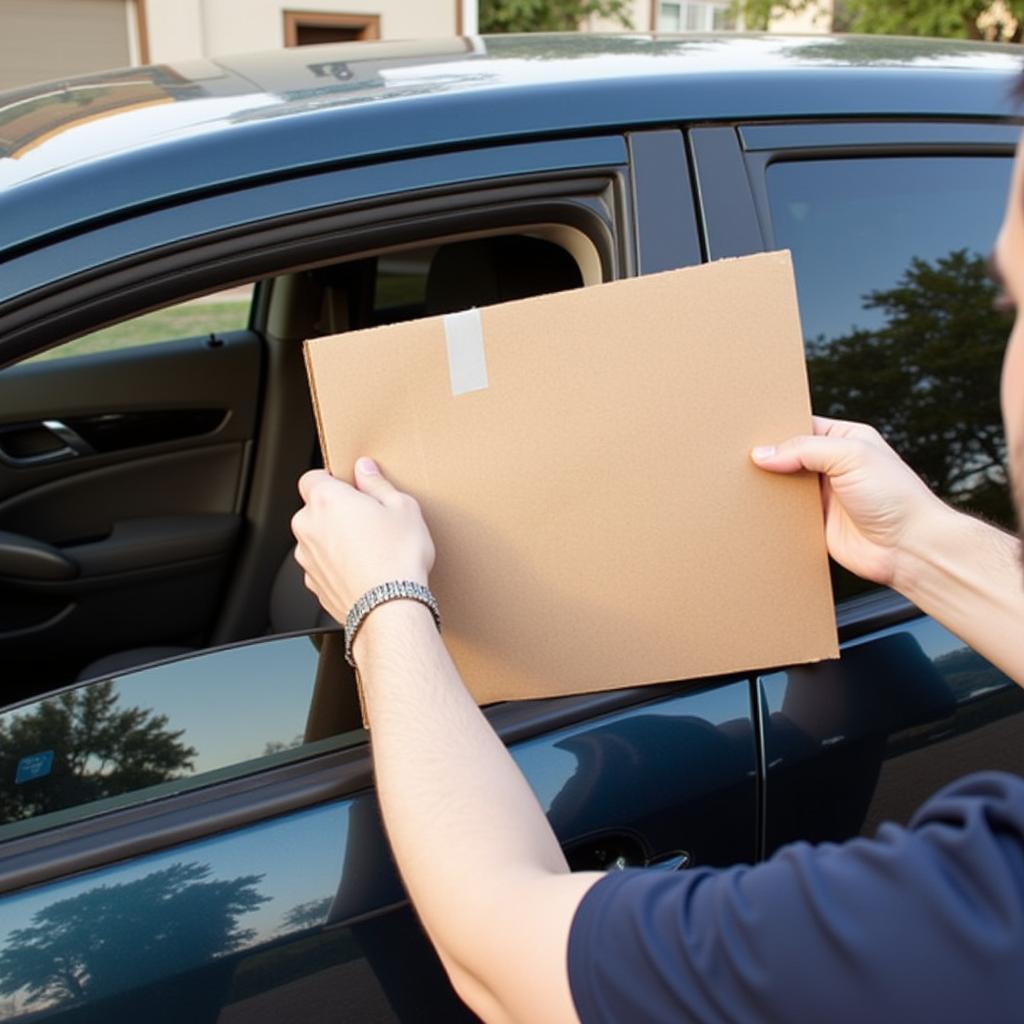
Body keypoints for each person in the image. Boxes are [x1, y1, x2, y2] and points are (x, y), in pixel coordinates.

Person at [289, 140, 1024, 1023]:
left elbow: (498, 956)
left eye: (1011, 303)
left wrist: (381, 601)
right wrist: (921, 546)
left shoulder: (980, 904)